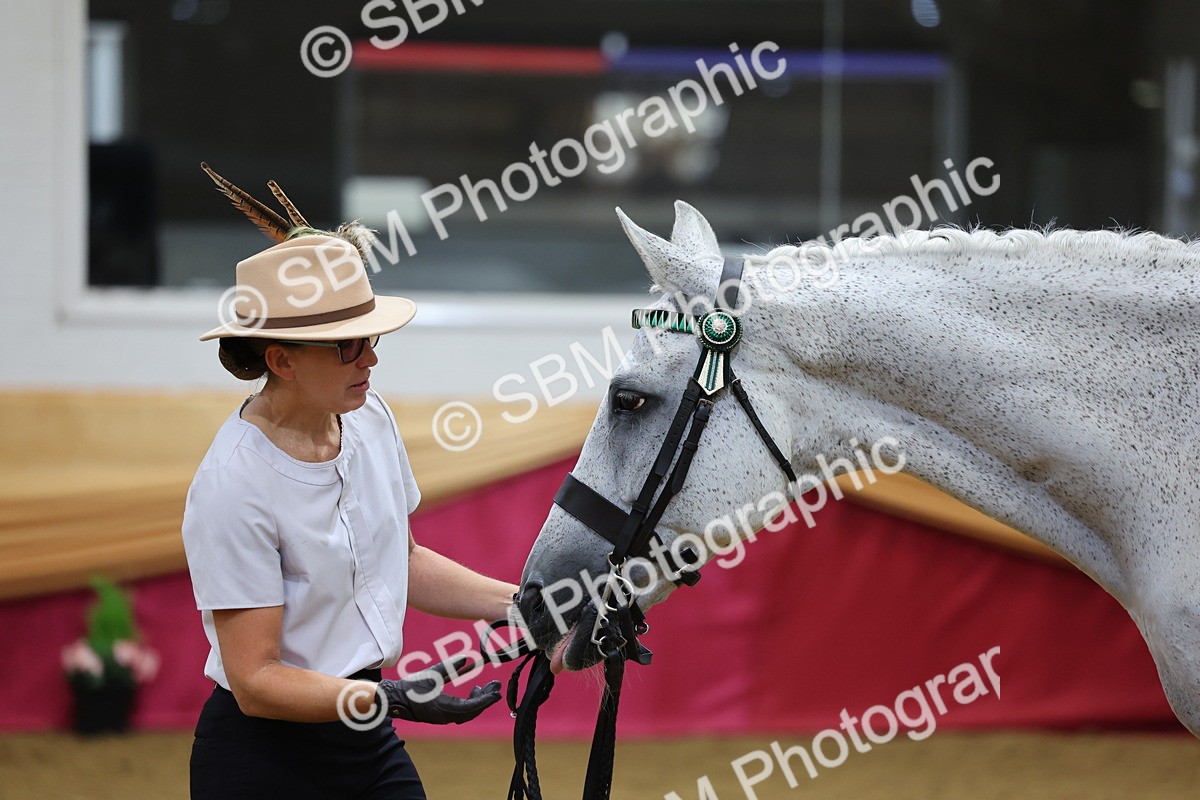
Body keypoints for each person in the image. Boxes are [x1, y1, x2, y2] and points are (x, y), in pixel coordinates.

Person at [182, 165, 516, 799]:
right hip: (263, 761)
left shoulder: (368, 418)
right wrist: (391, 698)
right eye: (348, 346)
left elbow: (403, 560)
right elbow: (255, 681)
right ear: (281, 360)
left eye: (370, 338)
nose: (372, 358)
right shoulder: (232, 485)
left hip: (364, 735)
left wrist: (525, 604)